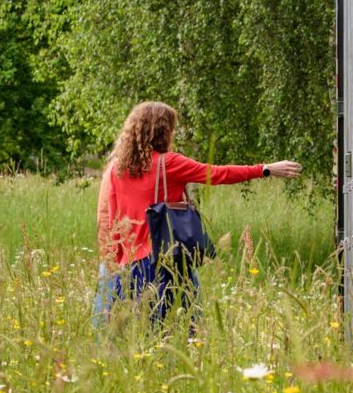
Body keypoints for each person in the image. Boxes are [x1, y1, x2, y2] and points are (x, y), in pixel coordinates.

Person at [95, 101, 300, 327]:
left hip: (131, 267)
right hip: (166, 262)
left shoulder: (116, 169)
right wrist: (265, 169)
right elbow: (218, 174)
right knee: (182, 328)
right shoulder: (169, 163)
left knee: (140, 332)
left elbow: (112, 223)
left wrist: (115, 269)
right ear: (163, 131)